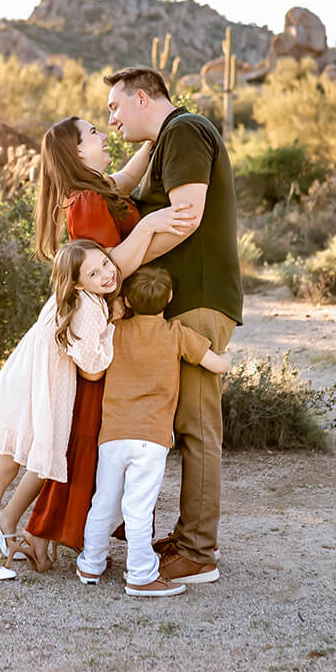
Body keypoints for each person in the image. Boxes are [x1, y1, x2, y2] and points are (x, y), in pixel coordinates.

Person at [0, 116, 192, 571]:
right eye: (94, 132)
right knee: (83, 437)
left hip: (110, 328)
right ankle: (39, 531)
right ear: (78, 152)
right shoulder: (83, 201)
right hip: (96, 333)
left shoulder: (97, 189)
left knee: (84, 436)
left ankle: (37, 529)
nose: (105, 135)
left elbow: (126, 179)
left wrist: (159, 134)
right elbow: (106, 271)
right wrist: (152, 225)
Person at [105, 66, 244, 586]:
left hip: (199, 301)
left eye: (116, 107)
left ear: (143, 98)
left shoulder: (184, 131)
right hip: (183, 303)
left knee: (198, 427)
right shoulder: (169, 137)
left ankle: (199, 553)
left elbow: (185, 215)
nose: (112, 119)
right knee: (187, 424)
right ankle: (188, 536)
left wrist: (120, 263)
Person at [0, 239, 119, 581]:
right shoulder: (90, 308)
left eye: (105, 263)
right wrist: (110, 332)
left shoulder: (74, 297)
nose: (106, 274)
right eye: (94, 272)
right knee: (4, 470)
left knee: (44, 462)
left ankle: (6, 522)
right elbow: (93, 370)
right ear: (77, 282)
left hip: (32, 385)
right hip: (35, 391)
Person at [75, 266, 232, 597]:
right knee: (138, 506)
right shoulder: (176, 333)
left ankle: (90, 564)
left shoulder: (115, 331)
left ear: (128, 299)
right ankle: (142, 574)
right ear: (171, 298)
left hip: (113, 435)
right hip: (150, 439)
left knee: (103, 500)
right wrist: (228, 358)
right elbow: (217, 364)